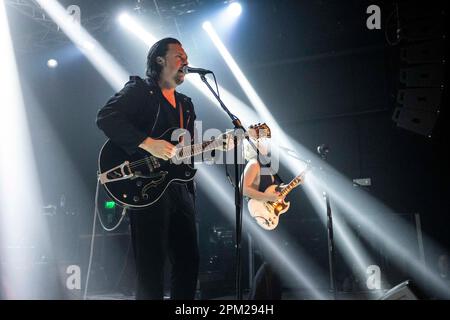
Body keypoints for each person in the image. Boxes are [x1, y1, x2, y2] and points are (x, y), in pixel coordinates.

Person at [96, 38, 202, 299]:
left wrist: (216, 146)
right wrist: (147, 143)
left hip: (179, 188)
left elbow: (185, 149)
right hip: (144, 185)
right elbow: (106, 117)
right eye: (179, 56)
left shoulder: (186, 104)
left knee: (189, 261)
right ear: (160, 60)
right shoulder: (140, 91)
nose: (186, 62)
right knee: (151, 266)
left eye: (186, 57)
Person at [242, 134, 284, 300]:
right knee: (272, 260)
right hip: (257, 216)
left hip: (268, 216)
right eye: (262, 141)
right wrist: (269, 198)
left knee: (276, 261)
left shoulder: (266, 166)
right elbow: (242, 189)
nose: (266, 143)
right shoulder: (253, 164)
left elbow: (271, 191)